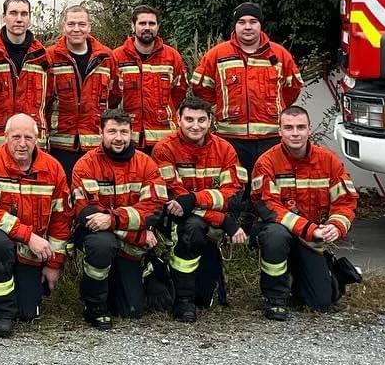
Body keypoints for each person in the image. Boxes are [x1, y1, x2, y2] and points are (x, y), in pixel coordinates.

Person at [189, 2, 303, 225]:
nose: (247, 27)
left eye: (253, 22)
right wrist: (220, 107)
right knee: (234, 184)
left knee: (265, 183)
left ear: (261, 25)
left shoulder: (279, 54)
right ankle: (231, 227)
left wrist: (275, 110)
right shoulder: (218, 55)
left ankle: (261, 226)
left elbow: (291, 89)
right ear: (235, 26)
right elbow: (201, 88)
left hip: (270, 137)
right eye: (242, 22)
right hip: (230, 137)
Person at [250, 106, 362, 320]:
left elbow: (345, 201)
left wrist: (335, 226)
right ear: (280, 131)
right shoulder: (267, 162)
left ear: (309, 129)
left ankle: (316, 272)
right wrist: (310, 230)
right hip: (276, 230)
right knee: (276, 236)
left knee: (320, 303)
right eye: (289, 127)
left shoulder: (328, 161)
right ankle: (276, 298)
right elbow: (268, 206)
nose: (295, 133)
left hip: (310, 239)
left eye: (301, 127)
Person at [0, 114, 72, 338]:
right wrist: (28, 236)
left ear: (38, 139)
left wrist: (54, 264)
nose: (22, 143)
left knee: (28, 314)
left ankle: (21, 291)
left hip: (30, 253)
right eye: (16, 137)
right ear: (5, 137)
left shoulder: (53, 169)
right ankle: (2, 315)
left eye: (28, 137)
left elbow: (61, 220)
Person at [68, 108, 167, 329]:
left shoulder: (146, 164)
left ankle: (146, 273)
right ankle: (94, 306)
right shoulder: (85, 165)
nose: (119, 138)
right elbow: (86, 213)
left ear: (132, 132)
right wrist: (138, 232)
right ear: (100, 132)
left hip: (128, 236)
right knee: (102, 244)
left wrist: (113, 220)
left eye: (124, 131)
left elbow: (154, 208)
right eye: (112, 131)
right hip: (101, 235)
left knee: (131, 310)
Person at [152, 95, 248, 324]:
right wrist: (224, 220)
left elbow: (233, 195)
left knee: (205, 298)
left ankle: (200, 292)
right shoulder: (164, 149)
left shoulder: (225, 149)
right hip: (179, 223)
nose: (196, 125)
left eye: (201, 120)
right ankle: (183, 301)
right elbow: (174, 200)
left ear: (210, 122)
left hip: (209, 221)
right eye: (189, 119)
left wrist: (194, 199)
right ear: (178, 121)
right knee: (192, 227)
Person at [44, 4, 116, 179]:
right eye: (71, 24)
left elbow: (114, 96)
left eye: (82, 24)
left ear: (89, 27)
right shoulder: (50, 57)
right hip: (59, 144)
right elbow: (43, 101)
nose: (76, 29)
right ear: (63, 27)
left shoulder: (106, 57)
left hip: (95, 144)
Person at [108, 5, 187, 151]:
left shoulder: (172, 56)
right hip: (127, 136)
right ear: (133, 26)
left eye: (152, 23)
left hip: (163, 136)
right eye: (142, 23)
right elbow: (110, 96)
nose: (147, 28)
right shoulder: (116, 57)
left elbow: (179, 91)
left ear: (158, 26)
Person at [0, 0, 49, 148]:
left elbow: (48, 100)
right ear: (4, 17)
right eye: (13, 13)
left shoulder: (42, 56)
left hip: (33, 144)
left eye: (24, 14)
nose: (19, 19)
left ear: (29, 18)